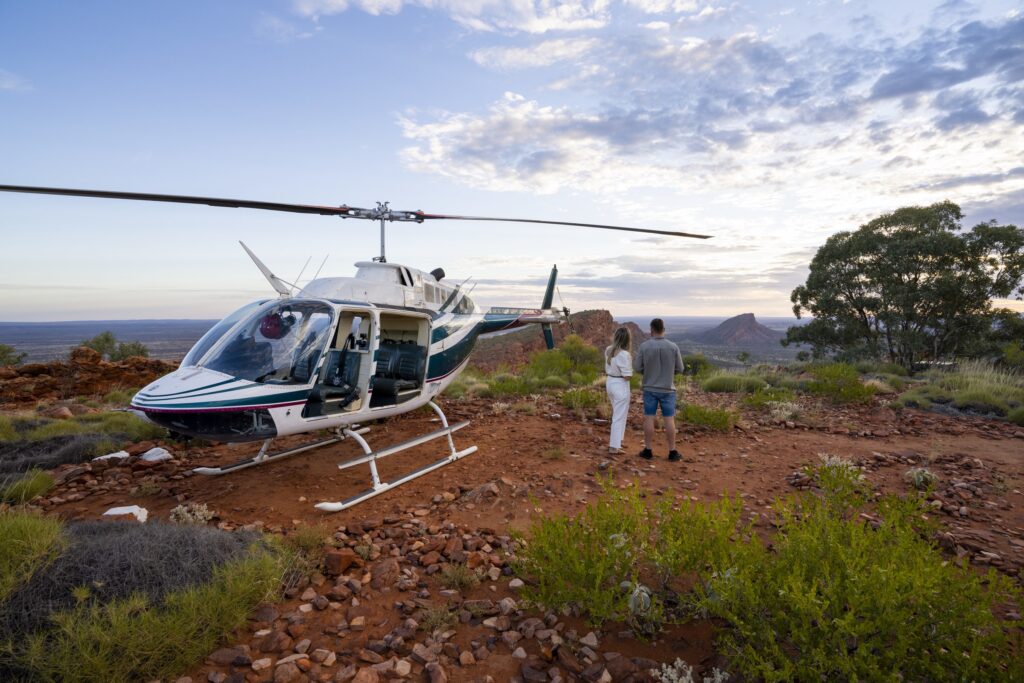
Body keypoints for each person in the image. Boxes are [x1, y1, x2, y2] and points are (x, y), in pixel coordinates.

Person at [633, 318, 685, 461]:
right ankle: (672, 452)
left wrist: (648, 371)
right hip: (668, 389)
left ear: (652, 330)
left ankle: (648, 450)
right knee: (669, 420)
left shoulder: (644, 346)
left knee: (649, 418)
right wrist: (668, 372)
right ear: (663, 329)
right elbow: (680, 369)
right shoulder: (673, 346)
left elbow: (637, 368)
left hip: (649, 388)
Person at [604, 327, 633, 454]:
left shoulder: (609, 350)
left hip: (610, 382)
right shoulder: (624, 354)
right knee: (619, 416)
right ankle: (614, 447)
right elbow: (627, 376)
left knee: (618, 414)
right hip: (620, 384)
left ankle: (617, 443)